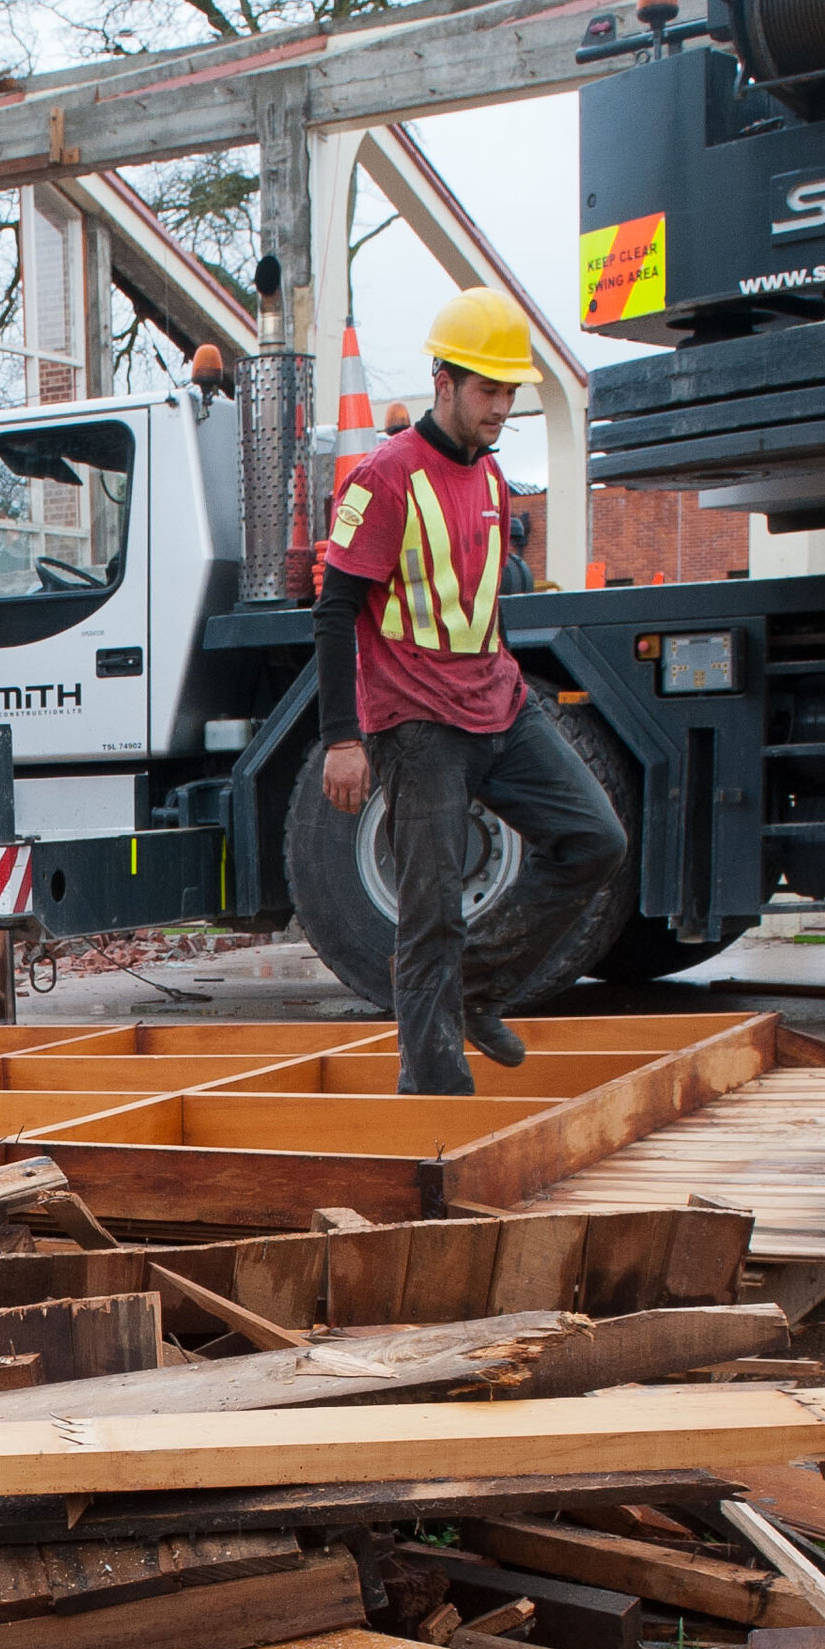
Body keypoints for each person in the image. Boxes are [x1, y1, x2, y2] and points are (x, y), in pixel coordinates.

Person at [315, 288, 627, 1094]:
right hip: (416, 724)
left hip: (499, 700)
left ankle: (477, 988)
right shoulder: (384, 480)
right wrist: (342, 738)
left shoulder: (491, 478)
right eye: (487, 391)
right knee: (430, 916)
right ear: (442, 382)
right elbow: (333, 611)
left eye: (509, 392)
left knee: (596, 839)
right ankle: (434, 1108)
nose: (501, 407)